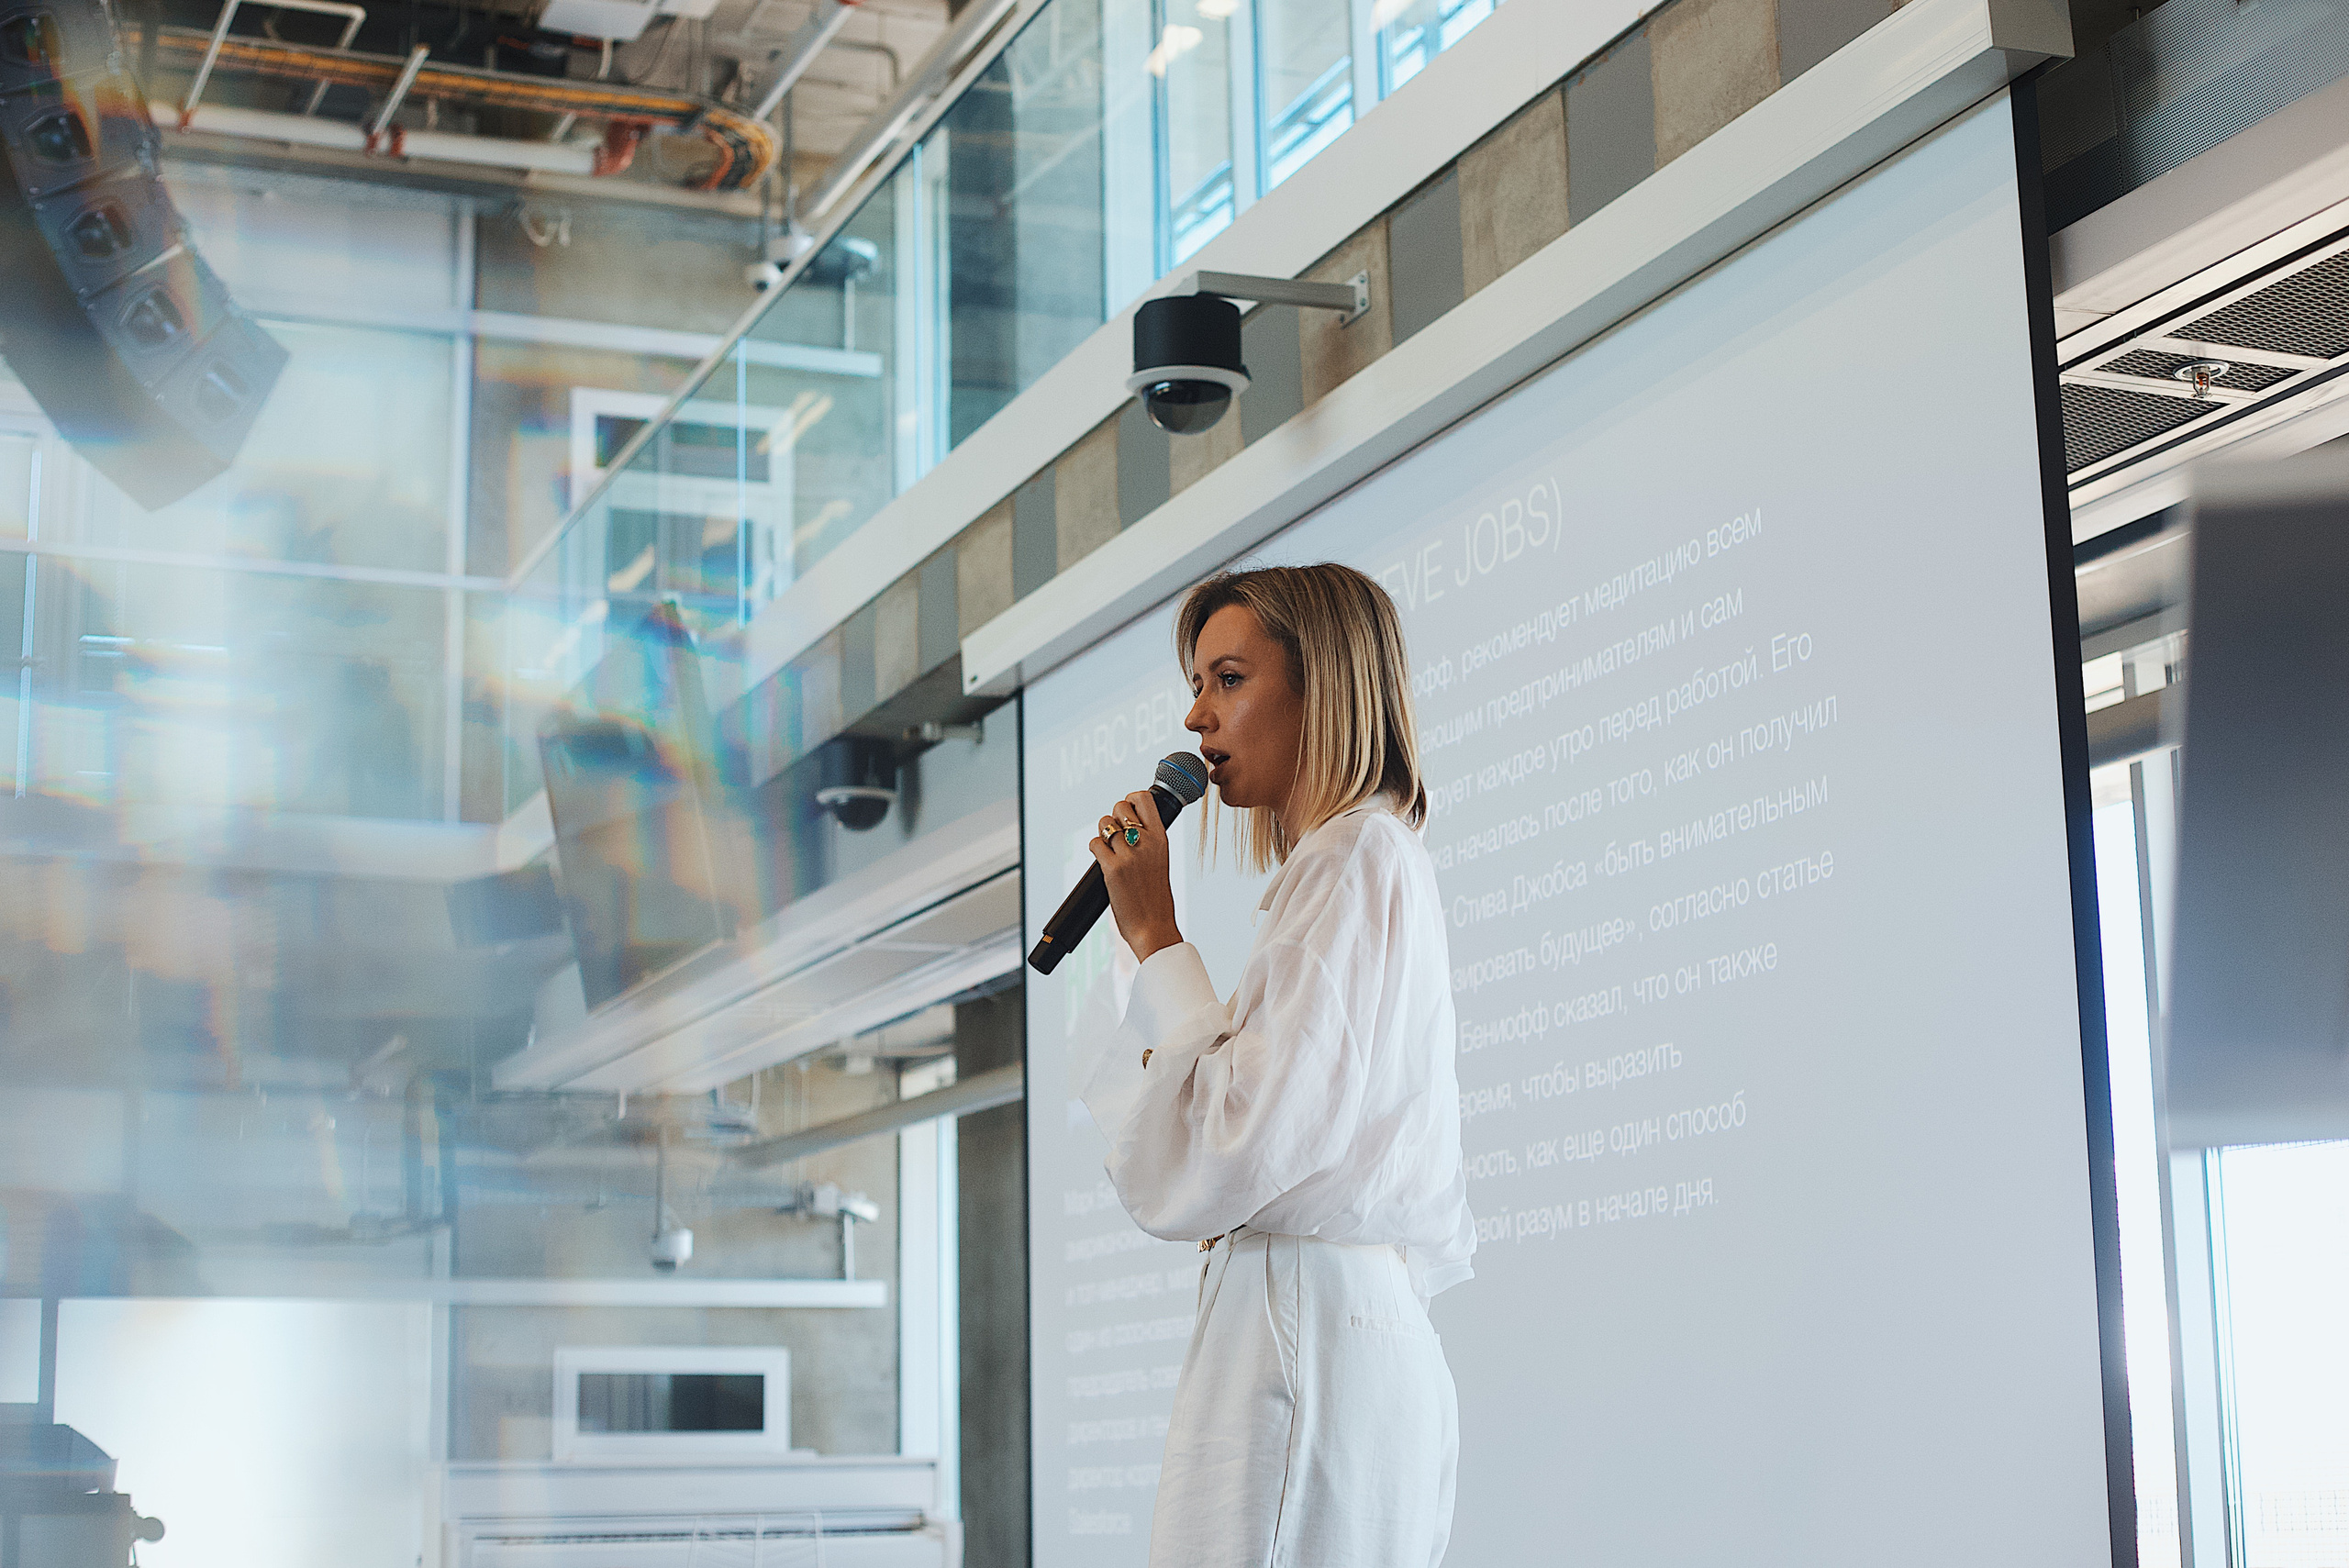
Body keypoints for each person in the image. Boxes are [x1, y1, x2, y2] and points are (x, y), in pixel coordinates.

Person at [1082, 562, 1475, 1568]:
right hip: (1348, 1330)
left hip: (1305, 1330)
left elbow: (1240, 1135)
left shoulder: (1350, 860)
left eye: (1226, 678)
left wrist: (1158, 933)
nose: (1195, 713)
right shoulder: (1367, 860)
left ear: (1321, 687)